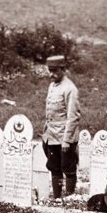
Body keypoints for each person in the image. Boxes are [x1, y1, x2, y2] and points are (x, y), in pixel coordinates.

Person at [42, 55, 81, 198]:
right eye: (49, 70)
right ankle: (57, 198)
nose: (51, 74)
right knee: (54, 167)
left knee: (68, 168)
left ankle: (70, 197)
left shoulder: (70, 89)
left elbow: (73, 116)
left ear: (63, 69)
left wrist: (67, 140)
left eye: (54, 71)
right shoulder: (52, 86)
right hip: (52, 136)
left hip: (64, 137)